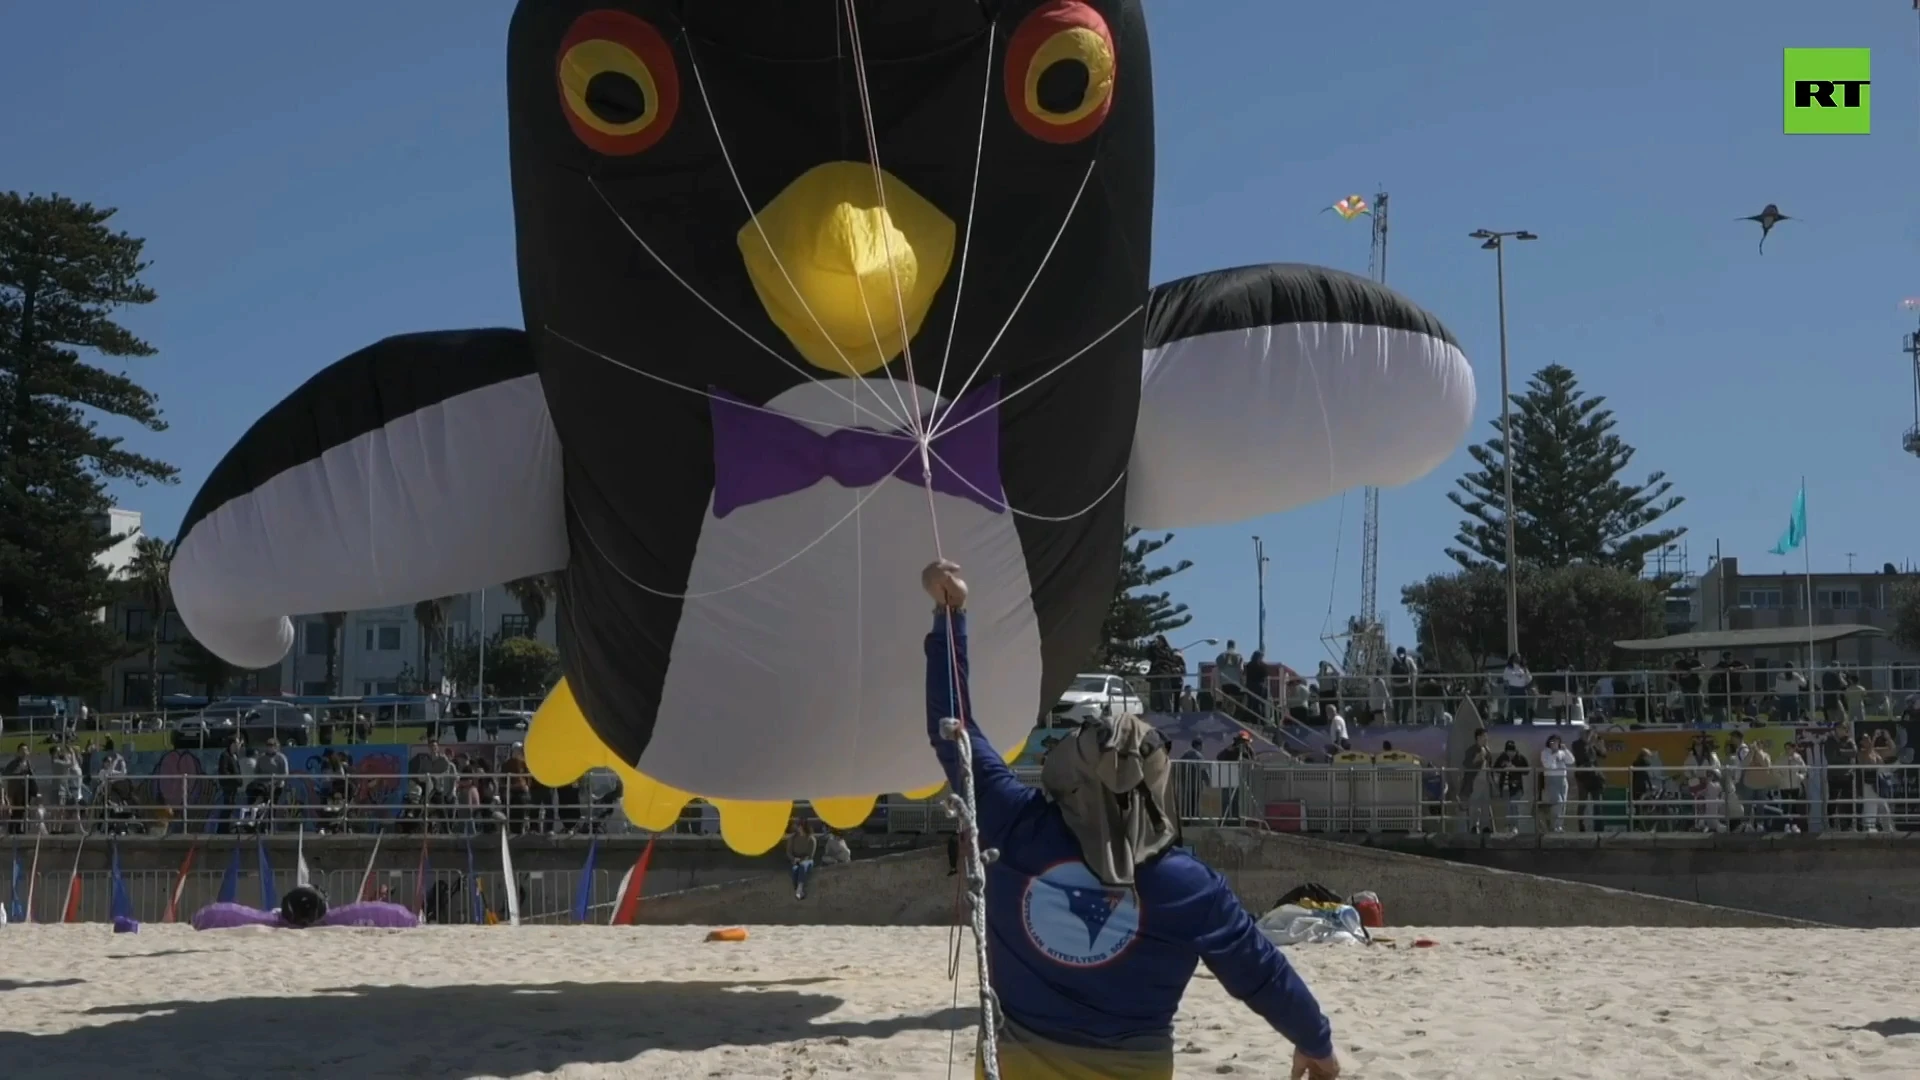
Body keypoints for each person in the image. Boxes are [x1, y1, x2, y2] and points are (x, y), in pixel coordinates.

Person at [920, 560, 1339, 1080]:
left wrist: (950, 615)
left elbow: (953, 729)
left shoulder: (1014, 822)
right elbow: (1260, 973)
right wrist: (1314, 1041)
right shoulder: (1190, 888)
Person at [786, 818, 818, 899]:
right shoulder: (792, 838)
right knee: (795, 870)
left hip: (807, 861)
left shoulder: (811, 839)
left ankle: (800, 889)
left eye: (798, 826)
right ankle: (797, 890)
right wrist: (794, 859)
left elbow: (811, 855)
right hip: (796, 860)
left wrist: (802, 860)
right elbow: (789, 852)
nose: (797, 828)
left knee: (803, 866)